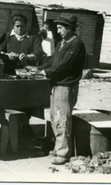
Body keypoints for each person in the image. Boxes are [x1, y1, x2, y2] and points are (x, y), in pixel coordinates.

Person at [32, 13, 86, 165]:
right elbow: (53, 60)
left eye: (61, 28)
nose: (58, 30)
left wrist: (46, 72)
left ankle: (63, 154)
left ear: (69, 28)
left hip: (66, 86)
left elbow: (64, 65)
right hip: (56, 84)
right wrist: (38, 68)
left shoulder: (76, 44)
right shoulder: (63, 42)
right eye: (58, 28)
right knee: (54, 119)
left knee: (63, 120)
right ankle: (57, 148)